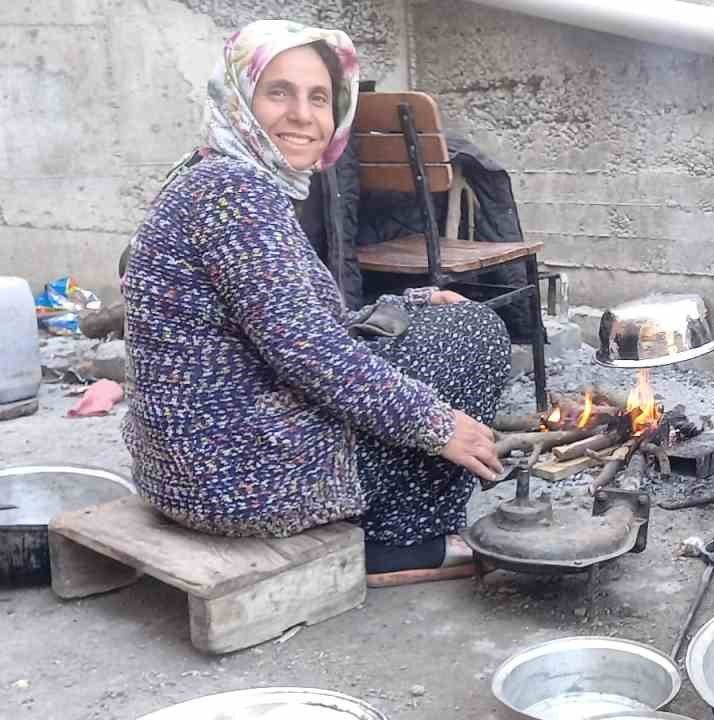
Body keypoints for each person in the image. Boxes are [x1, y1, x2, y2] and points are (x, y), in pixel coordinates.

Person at [122, 20, 510, 586]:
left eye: (320, 97)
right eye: (279, 92)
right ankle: (399, 542)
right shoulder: (236, 191)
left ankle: (395, 519)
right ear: (239, 98)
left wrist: (414, 300)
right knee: (471, 336)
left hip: (191, 467)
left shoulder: (212, 173)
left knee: (442, 318)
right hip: (234, 480)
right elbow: (308, 352)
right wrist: (437, 425)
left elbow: (292, 325)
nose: (303, 115)